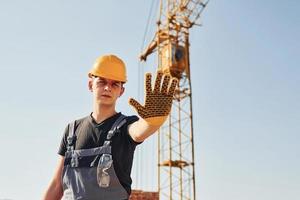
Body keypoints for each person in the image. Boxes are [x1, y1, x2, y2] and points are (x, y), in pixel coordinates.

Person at [42, 54, 177, 200]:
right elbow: (57, 185)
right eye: (102, 82)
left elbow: (138, 132)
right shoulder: (72, 131)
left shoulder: (125, 126)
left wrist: (151, 123)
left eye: (114, 84)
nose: (107, 88)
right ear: (90, 85)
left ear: (121, 91)